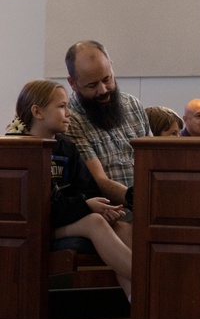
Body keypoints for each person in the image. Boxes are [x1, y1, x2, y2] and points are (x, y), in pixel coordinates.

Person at [7, 80, 132, 298]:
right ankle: (153, 280)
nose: (69, 113)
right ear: (37, 112)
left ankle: (141, 308)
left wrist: (99, 206)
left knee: (122, 227)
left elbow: (89, 190)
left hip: (67, 218)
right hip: (37, 226)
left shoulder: (66, 148)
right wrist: (86, 207)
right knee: (94, 222)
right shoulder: (19, 150)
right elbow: (36, 208)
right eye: (62, 106)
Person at [63, 40, 151, 208]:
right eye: (92, 85)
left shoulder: (133, 105)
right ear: (73, 83)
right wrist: (139, 200)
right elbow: (98, 181)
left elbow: (153, 161)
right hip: (112, 211)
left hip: (148, 204)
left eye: (107, 79)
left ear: (111, 67)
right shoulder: (70, 120)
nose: (103, 90)